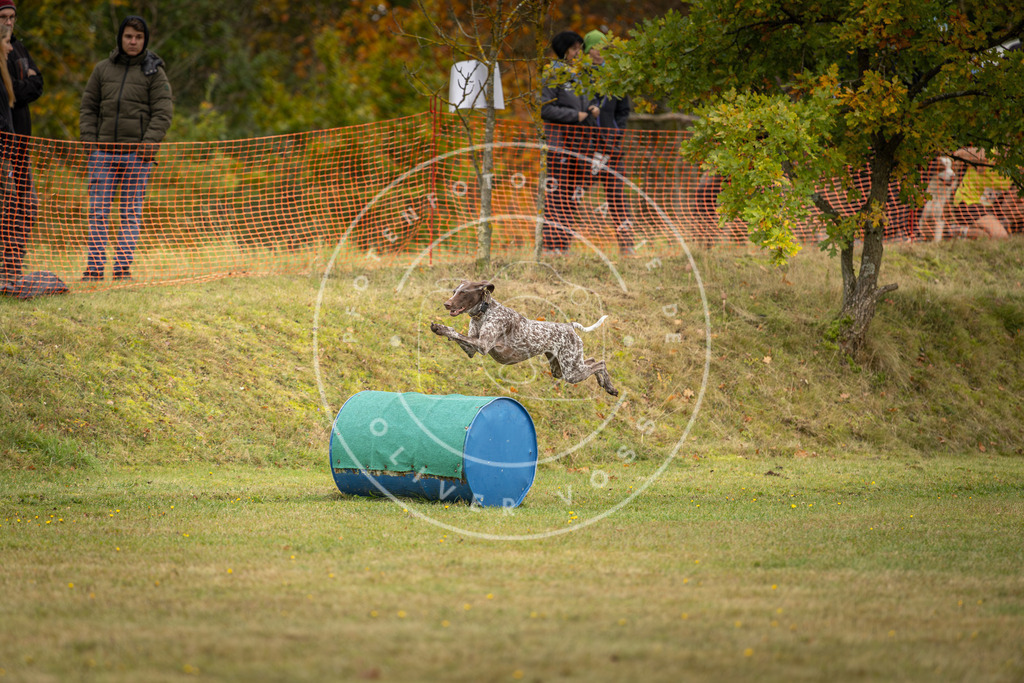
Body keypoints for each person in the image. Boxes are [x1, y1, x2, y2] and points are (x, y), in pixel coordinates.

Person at [79, 15, 173, 281]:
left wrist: (149, 145)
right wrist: (89, 141)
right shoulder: (102, 70)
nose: (133, 41)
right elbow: (88, 107)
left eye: (139, 37)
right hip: (103, 154)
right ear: (120, 38)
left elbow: (163, 112)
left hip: (137, 156)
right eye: (129, 36)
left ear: (145, 40)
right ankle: (94, 269)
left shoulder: (154, 72)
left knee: (130, 214)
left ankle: (122, 270)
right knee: (98, 212)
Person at [540, 30, 600, 254]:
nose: (578, 53)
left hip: (582, 144)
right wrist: (575, 116)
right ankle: (551, 245)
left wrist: (594, 108)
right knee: (556, 195)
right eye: (574, 49)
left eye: (579, 48)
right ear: (563, 50)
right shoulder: (552, 73)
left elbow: (591, 99)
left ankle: (564, 244)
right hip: (559, 144)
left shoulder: (583, 73)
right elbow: (546, 109)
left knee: (573, 195)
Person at [0, 0, 42, 285]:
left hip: (20, 143)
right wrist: (19, 84)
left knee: (27, 206)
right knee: (5, 206)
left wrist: (18, 85)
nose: (8, 22)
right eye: (3, 17)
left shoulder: (20, 49)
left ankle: (13, 265)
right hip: (3, 142)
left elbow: (38, 84)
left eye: (12, 17)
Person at [581, 30, 635, 255]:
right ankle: (559, 245)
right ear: (586, 50)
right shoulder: (580, 75)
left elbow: (624, 111)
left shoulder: (615, 77)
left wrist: (617, 132)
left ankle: (627, 245)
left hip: (611, 148)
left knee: (617, 197)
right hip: (585, 148)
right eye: (594, 47)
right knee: (572, 194)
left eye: (603, 47)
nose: (598, 52)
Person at [948, 147, 1010, 239]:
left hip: (989, 209)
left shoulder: (1017, 166)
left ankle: (960, 230)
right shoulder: (988, 153)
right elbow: (958, 153)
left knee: (987, 236)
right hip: (968, 203)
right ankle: (958, 230)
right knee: (1001, 236)